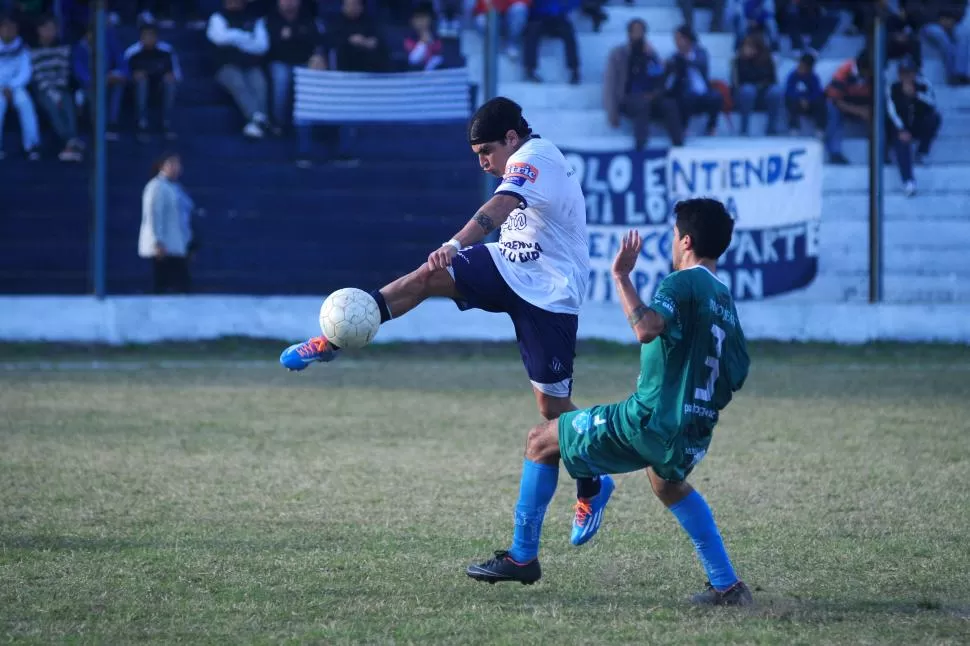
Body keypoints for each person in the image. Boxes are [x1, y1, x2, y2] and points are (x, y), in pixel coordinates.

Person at [281, 97, 610, 544]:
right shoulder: (521, 156)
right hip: (509, 265)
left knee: (552, 412)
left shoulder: (535, 157)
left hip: (550, 292)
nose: (483, 163)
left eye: (486, 153)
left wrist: (455, 243)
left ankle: (593, 480)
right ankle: (332, 339)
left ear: (511, 138)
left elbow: (499, 208)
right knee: (426, 276)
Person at [465, 199, 753, 609]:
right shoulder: (725, 302)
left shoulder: (681, 283)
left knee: (541, 440)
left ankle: (522, 556)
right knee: (667, 484)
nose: (673, 243)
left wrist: (620, 275)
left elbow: (646, 328)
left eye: (674, 236)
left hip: (649, 419)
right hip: (693, 425)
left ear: (685, 241)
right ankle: (727, 586)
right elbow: (736, 370)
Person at [604, 18, 683, 150]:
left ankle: (679, 146)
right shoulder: (619, 54)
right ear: (629, 33)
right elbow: (610, 84)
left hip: (651, 96)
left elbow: (660, 77)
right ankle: (641, 149)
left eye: (641, 31)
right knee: (642, 104)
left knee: (670, 105)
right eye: (635, 31)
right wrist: (613, 112)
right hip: (628, 98)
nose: (638, 34)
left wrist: (653, 57)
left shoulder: (650, 53)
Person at [206, 0, 271, 138]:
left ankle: (255, 123)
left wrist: (234, 39)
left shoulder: (255, 19)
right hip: (225, 66)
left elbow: (261, 46)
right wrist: (245, 37)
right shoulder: (217, 17)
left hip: (250, 64)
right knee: (237, 82)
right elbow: (219, 39)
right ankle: (259, 118)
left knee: (259, 83)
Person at [30, 14, 83, 161]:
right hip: (43, 89)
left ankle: (71, 141)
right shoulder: (32, 50)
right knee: (52, 106)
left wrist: (58, 92)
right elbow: (38, 75)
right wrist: (52, 94)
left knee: (67, 103)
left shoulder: (63, 48)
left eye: (53, 28)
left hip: (60, 87)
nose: (50, 32)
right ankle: (69, 142)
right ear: (39, 30)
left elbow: (64, 72)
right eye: (46, 29)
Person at [138, 152, 193, 294]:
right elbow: (153, 215)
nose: (176, 167)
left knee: (180, 287)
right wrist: (158, 241)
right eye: (171, 163)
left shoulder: (176, 188)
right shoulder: (156, 186)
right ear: (162, 166)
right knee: (167, 286)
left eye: (178, 164)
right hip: (164, 248)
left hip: (177, 245)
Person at [887, 57, 941, 198]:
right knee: (902, 143)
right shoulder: (893, 87)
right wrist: (901, 129)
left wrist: (915, 95)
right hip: (899, 126)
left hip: (917, 124)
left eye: (909, 73)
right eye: (903, 73)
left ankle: (922, 152)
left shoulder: (924, 85)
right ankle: (908, 181)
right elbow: (891, 111)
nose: (907, 76)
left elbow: (932, 104)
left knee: (935, 118)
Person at [124, 21, 181, 141]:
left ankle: (166, 124)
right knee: (141, 82)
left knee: (170, 83)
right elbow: (124, 76)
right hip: (135, 91)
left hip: (159, 88)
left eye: (151, 35)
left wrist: (170, 76)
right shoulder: (132, 53)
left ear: (157, 37)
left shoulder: (167, 51)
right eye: (146, 36)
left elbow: (177, 75)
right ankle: (142, 124)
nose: (149, 39)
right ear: (141, 37)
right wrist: (134, 76)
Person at [666, 25, 722, 137]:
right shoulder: (674, 57)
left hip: (703, 91)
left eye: (678, 38)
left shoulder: (700, 53)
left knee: (716, 96)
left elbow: (700, 64)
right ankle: (684, 127)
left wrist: (684, 60)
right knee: (686, 97)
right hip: (686, 93)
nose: (676, 42)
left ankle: (711, 127)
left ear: (687, 39)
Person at [0, 14, 40, 160]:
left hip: (17, 86)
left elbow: (26, 71)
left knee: (25, 103)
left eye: (12, 28)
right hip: (0, 87)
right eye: (5, 27)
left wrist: (11, 86)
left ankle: (32, 145)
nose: (9, 31)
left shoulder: (23, 47)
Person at [730, 30, 782, 136]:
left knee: (776, 92)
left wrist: (759, 83)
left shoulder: (768, 60)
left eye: (750, 46)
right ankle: (744, 129)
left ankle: (771, 129)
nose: (746, 49)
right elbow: (738, 82)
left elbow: (772, 80)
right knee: (748, 90)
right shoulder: (738, 60)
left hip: (763, 93)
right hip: (744, 95)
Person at [785, 50, 825, 136]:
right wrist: (800, 99)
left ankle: (819, 129)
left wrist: (808, 100)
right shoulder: (793, 76)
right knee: (790, 101)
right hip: (796, 102)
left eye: (803, 67)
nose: (800, 68)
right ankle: (794, 128)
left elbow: (817, 92)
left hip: (810, 104)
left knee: (821, 102)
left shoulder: (813, 78)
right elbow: (789, 91)